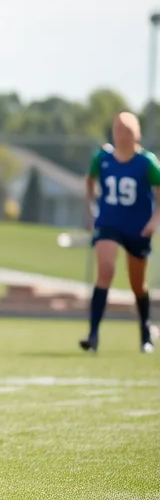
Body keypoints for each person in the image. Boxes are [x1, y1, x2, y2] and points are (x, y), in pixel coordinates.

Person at [81, 111, 160, 354]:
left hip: (137, 227)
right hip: (109, 222)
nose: (119, 133)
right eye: (116, 128)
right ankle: (93, 335)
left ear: (135, 133)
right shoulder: (102, 158)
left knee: (138, 284)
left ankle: (145, 332)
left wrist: (153, 222)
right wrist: (90, 209)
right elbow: (90, 181)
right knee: (105, 271)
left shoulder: (147, 162)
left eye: (125, 129)